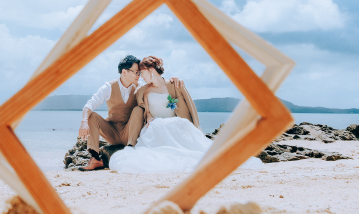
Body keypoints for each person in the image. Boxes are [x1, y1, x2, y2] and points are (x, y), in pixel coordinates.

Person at [109, 55, 264, 173]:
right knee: (157, 129)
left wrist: (196, 125)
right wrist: (149, 118)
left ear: (151, 71)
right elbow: (146, 111)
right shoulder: (143, 90)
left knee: (189, 141)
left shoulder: (174, 85)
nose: (141, 76)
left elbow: (189, 105)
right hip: (156, 124)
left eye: (142, 73)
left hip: (174, 122)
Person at [77, 55, 184, 171]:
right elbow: (90, 104)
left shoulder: (140, 87)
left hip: (129, 133)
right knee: (91, 116)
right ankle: (95, 159)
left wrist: (172, 80)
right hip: (111, 132)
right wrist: (84, 123)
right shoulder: (109, 87)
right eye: (136, 72)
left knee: (138, 109)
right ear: (124, 72)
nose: (139, 75)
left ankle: (130, 148)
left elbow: (157, 84)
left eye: (139, 73)